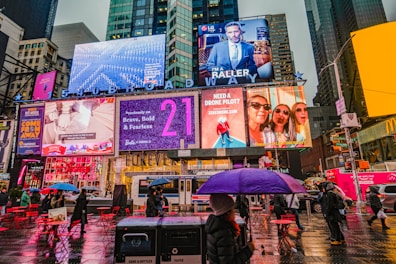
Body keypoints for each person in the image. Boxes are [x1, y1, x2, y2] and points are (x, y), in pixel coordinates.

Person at [205, 194, 255, 263]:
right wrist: (248, 250)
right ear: (227, 212)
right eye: (233, 209)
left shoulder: (215, 227)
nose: (234, 212)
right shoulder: (224, 233)